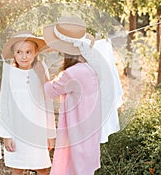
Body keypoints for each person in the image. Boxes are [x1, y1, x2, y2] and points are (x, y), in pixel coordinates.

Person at [43, 16, 117, 175]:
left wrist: (40, 70)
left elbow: (50, 90)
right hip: (90, 128)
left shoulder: (72, 73)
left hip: (77, 132)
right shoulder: (92, 67)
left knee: (74, 167)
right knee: (84, 167)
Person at [0, 31, 56, 175]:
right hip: (16, 130)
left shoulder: (41, 70)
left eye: (28, 52)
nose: (24, 56)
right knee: (17, 167)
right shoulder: (9, 72)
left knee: (42, 167)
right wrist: (6, 135)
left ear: (35, 53)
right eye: (19, 52)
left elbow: (48, 103)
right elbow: (4, 104)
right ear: (14, 54)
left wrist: (50, 134)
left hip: (38, 130)